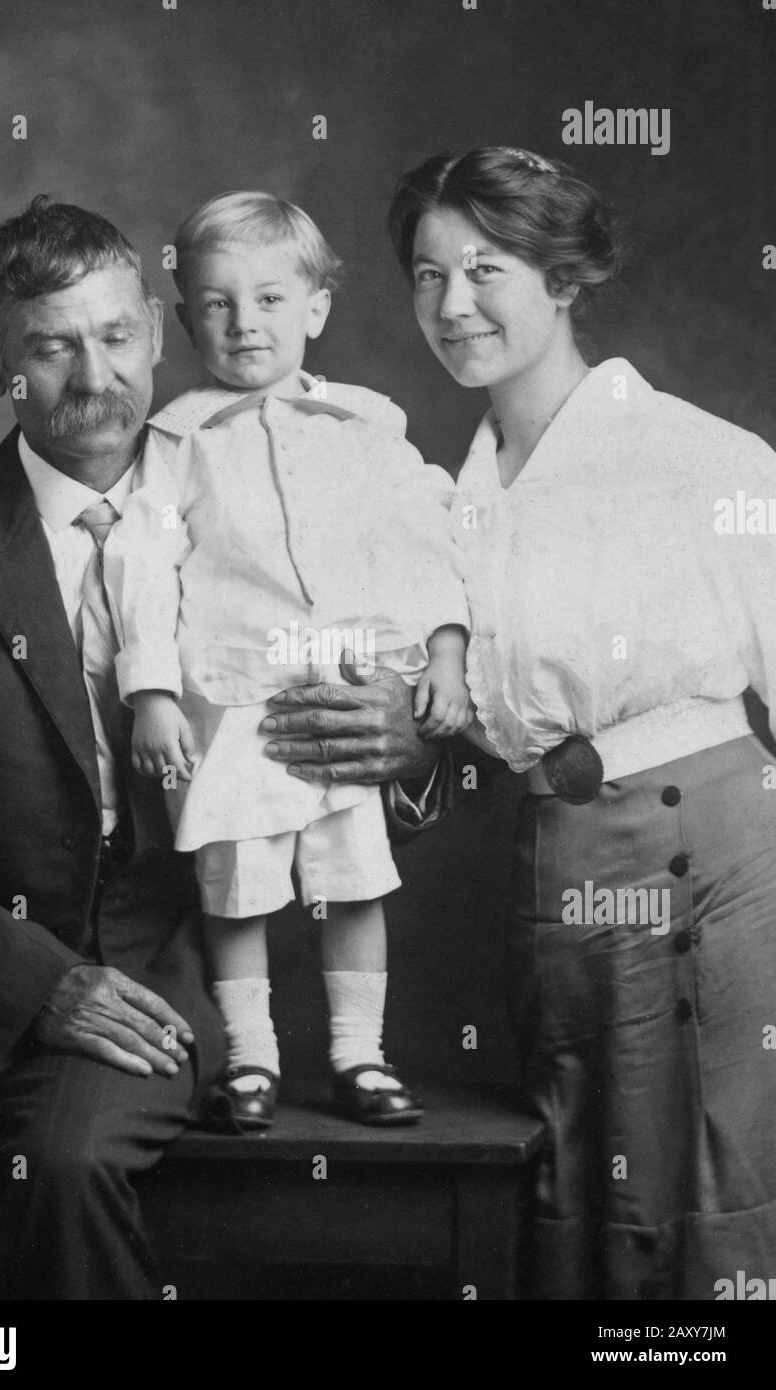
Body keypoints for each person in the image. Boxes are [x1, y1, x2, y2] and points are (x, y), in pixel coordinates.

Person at [267, 142, 776, 1300]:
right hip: (555, 870)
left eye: (486, 269)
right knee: (588, 1189)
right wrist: (403, 748)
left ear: (561, 277)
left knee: (715, 1181)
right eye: (428, 275)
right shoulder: (446, 505)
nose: (452, 305)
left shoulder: (702, 459)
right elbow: (476, 755)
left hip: (722, 866)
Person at [0, 195, 230, 1299]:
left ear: (156, 334)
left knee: (59, 1169)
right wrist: (41, 984)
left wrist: (402, 738)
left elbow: (397, 725)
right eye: (50, 345)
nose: (94, 374)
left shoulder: (253, 516)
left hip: (182, 973)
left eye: (117, 335)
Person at [103, 191, 471, 1130]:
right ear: (184, 320)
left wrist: (444, 648)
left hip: (343, 691)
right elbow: (142, 566)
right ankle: (252, 1059)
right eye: (217, 303)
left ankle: (359, 1056)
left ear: (315, 308)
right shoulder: (175, 444)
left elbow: (421, 543)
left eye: (270, 299)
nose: (243, 322)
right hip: (231, 701)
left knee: (352, 880)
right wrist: (150, 691)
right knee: (237, 886)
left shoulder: (365, 426)